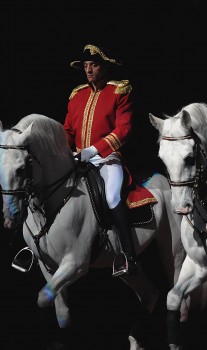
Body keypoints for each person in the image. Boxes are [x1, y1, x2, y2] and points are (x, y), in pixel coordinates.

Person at [12, 44, 137, 277]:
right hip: (78, 158)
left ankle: (127, 255)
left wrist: (95, 150)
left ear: (105, 67)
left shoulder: (119, 91)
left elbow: (123, 129)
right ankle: (32, 246)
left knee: (111, 195)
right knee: (41, 188)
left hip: (107, 158)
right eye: (86, 66)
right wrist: (63, 152)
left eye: (94, 65)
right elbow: (68, 131)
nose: (88, 70)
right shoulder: (78, 95)